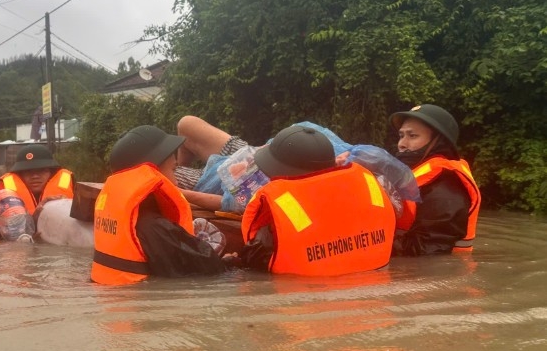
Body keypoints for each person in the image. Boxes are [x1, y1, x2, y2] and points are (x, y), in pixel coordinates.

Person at [230, 125, 396, 275]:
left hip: (304, 297)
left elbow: (255, 258)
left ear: (278, 171)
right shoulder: (367, 181)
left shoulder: (280, 202)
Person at [91, 125, 227, 285]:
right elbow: (207, 271)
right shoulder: (156, 228)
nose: (176, 181)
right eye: (173, 169)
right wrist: (228, 263)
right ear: (152, 173)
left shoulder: (136, 220)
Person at [388, 104, 481, 256]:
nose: (402, 144)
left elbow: (428, 251)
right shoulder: (410, 175)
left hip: (433, 275)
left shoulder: (446, 187)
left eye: (412, 136)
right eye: (401, 135)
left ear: (439, 141)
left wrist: (371, 241)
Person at [0, 144, 74, 216]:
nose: (35, 176)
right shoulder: (7, 191)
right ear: (20, 175)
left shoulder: (69, 183)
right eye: (28, 171)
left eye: (41, 170)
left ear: (51, 172)